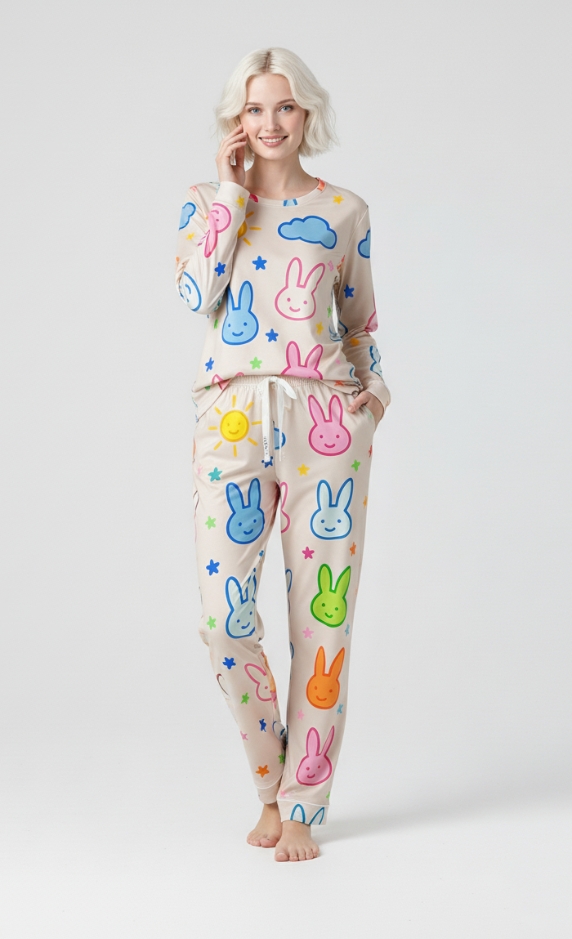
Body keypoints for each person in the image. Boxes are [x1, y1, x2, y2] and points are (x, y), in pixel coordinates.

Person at [174, 47, 390, 862]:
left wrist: (373, 399)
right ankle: (271, 781)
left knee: (320, 619)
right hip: (231, 416)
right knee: (222, 619)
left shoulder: (344, 210)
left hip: (323, 419)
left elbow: (361, 322)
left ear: (308, 115)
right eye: (256, 108)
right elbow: (195, 295)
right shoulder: (206, 205)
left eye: (286, 107)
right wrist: (232, 194)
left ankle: (302, 803)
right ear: (238, 119)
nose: (271, 123)